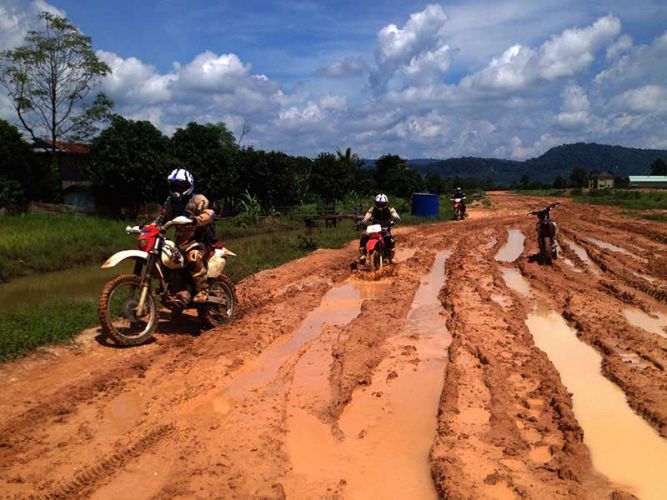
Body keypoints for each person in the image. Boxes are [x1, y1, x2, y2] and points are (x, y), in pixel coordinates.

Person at [156, 168, 215, 302]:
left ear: (189, 185)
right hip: (181, 242)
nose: (177, 189)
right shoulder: (170, 202)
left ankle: (203, 291)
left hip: (200, 240)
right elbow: (164, 217)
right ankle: (175, 290)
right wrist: (154, 226)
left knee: (193, 257)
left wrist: (197, 220)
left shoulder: (198, 199)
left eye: (181, 186)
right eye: (174, 186)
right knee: (166, 259)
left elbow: (210, 213)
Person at [358, 193, 400, 263]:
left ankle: (391, 257)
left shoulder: (390, 209)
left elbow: (396, 216)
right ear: (376, 203)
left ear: (386, 203)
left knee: (390, 240)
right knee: (364, 237)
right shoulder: (373, 209)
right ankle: (363, 255)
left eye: (382, 204)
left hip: (385, 227)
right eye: (378, 203)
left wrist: (394, 219)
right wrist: (363, 221)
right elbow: (367, 216)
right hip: (375, 227)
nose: (380, 205)